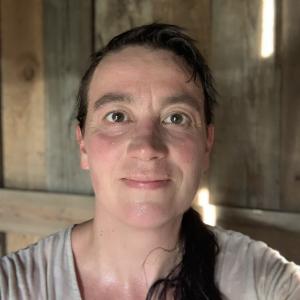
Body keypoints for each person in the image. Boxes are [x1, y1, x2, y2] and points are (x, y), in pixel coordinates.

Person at [0, 23, 299, 300]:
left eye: (176, 118)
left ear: (207, 143)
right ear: (83, 146)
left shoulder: (263, 279)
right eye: (117, 116)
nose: (146, 147)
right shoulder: (13, 286)